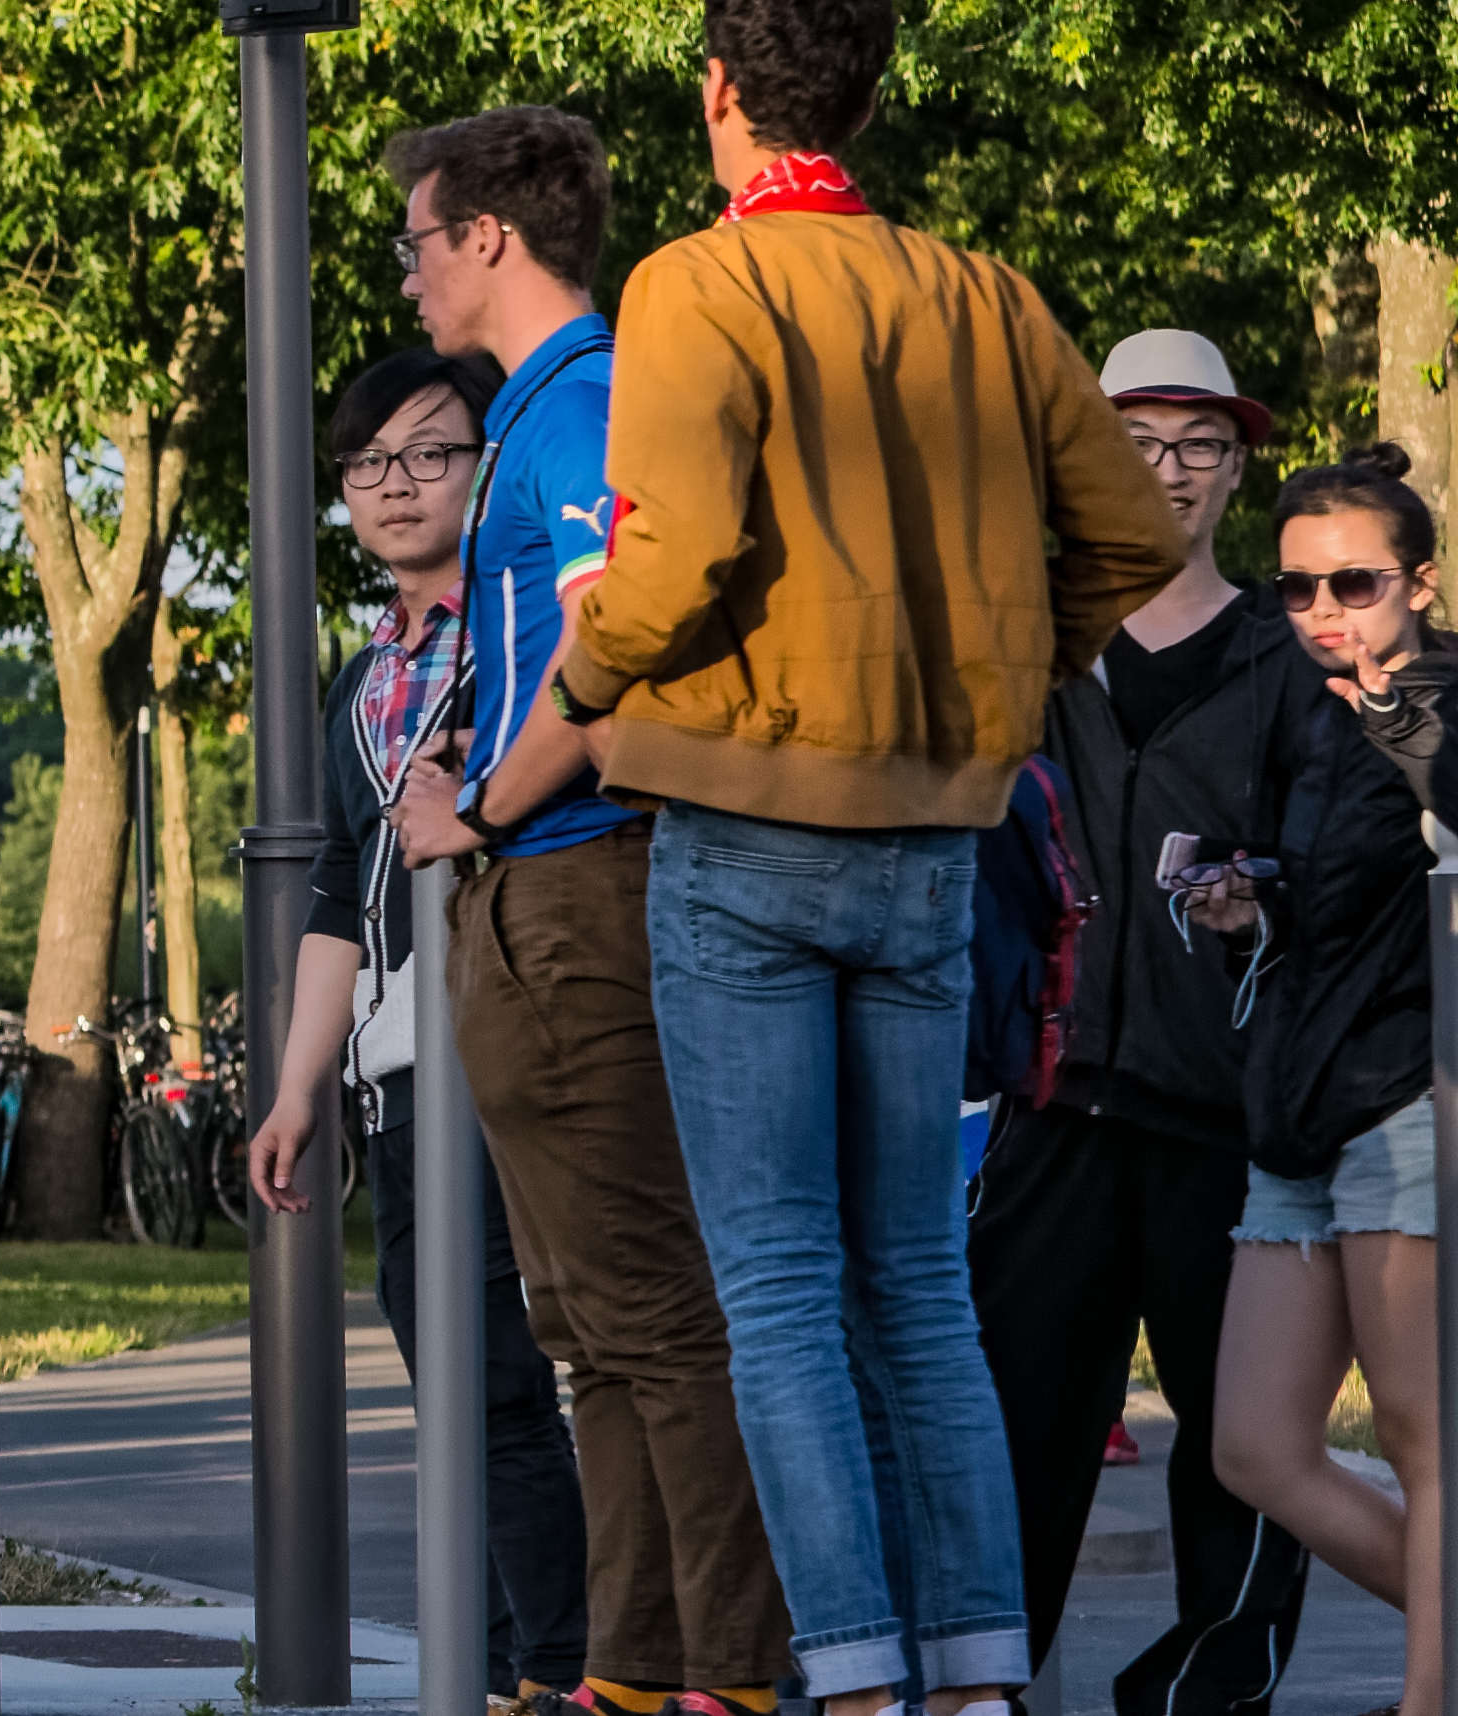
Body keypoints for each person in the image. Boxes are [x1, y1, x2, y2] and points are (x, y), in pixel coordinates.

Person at [550, 0, 1185, 1705]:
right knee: (919, 1282)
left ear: (720, 93)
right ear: (873, 92)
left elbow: (672, 561)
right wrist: (1003, 670)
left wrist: (588, 659)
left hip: (747, 817)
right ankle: (976, 1675)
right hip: (931, 828)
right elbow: (1129, 530)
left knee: (773, 1287)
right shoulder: (982, 293)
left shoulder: (699, 283)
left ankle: (846, 1668)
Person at [377, 100, 798, 1716]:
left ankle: (731, 1674)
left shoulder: (588, 410)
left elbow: (601, 654)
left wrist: (475, 806)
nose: (410, 277)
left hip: (576, 889)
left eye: (420, 243)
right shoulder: (544, 408)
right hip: (531, 894)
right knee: (588, 1324)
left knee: (653, 1308)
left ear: (489, 236)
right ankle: (632, 1666)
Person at [968, 329, 1352, 1716]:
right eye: (1137, 442)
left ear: (1239, 466)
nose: (1170, 471)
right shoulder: (1025, 642)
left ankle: (1205, 1697)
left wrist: (1275, 896)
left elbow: (1357, 856)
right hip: (1055, 1106)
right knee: (1010, 1444)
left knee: (1247, 1458)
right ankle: (977, 1689)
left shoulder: (1295, 654)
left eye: (1200, 445)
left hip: (1234, 1120)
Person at [244, 346, 597, 1706]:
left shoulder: (521, 636)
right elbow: (341, 891)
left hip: (526, 1038)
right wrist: (296, 1088)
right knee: (447, 1371)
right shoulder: (364, 679)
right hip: (401, 1067)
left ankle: (558, 1668)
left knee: (515, 1376)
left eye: (431, 453)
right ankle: (505, 1652)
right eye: (369, 463)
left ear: (486, 466)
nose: (397, 485)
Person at [1207, 443, 1451, 1716]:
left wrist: (1395, 709)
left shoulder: (1439, 690)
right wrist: (1253, 895)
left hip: (1410, 1095)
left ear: (1419, 580)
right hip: (1298, 1098)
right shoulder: (1311, 705)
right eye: (1294, 590)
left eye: (1352, 585)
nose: (1321, 615)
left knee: (1420, 1433)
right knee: (1253, 1443)